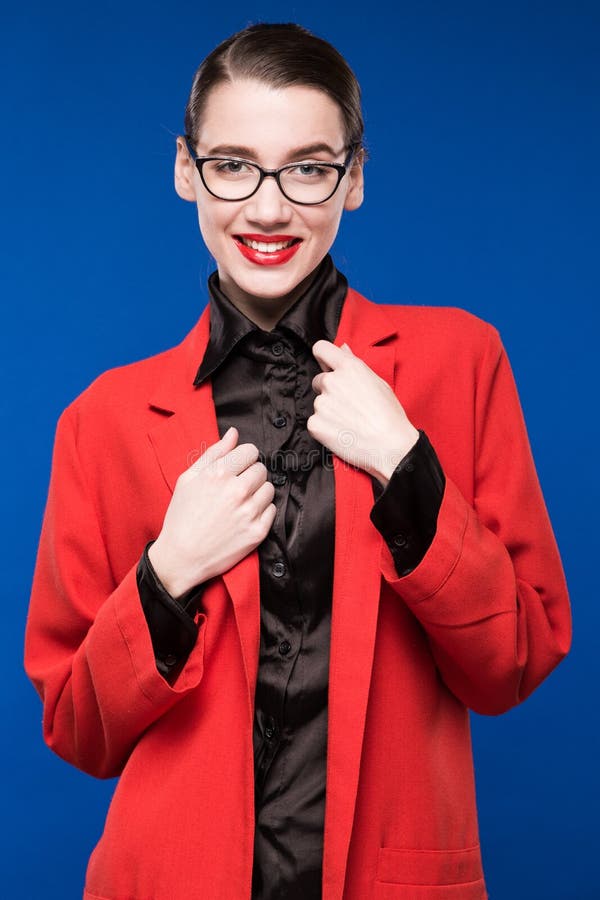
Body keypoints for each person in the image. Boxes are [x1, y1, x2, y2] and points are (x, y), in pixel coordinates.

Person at [24, 21, 571, 900]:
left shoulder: (461, 362)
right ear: (184, 169)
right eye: (232, 164)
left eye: (308, 168)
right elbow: (78, 732)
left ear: (352, 178)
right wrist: (167, 575)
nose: (269, 208)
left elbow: (514, 662)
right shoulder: (103, 420)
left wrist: (408, 466)